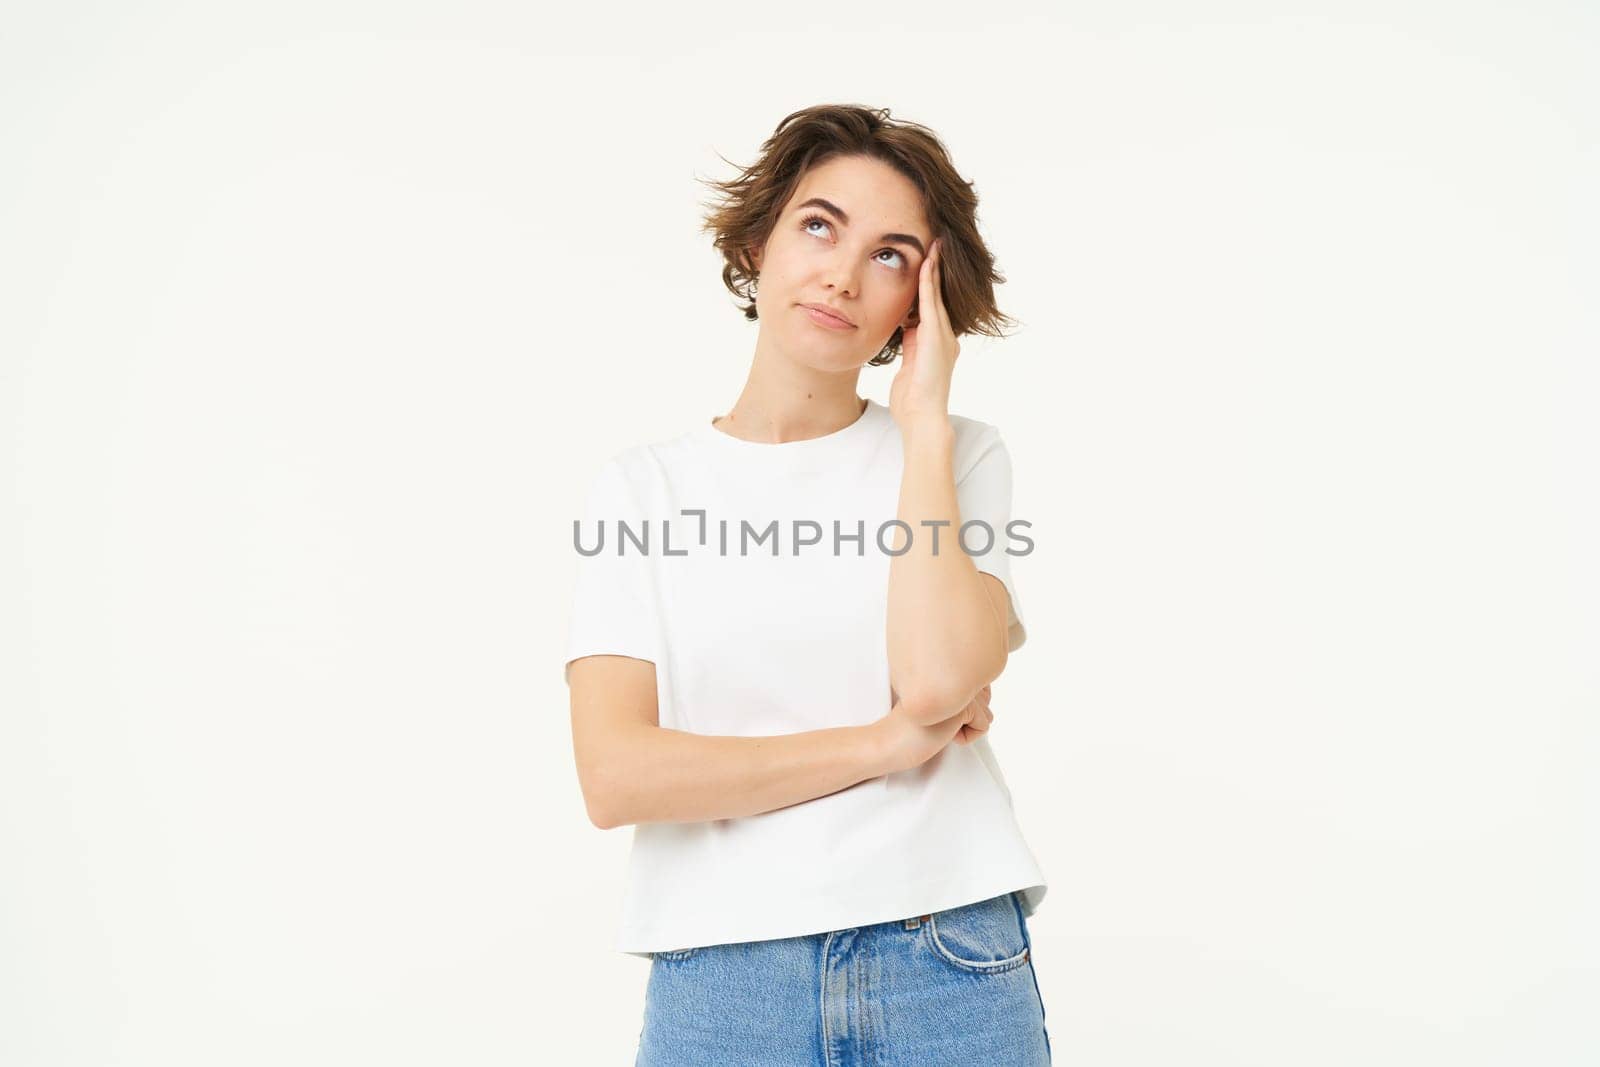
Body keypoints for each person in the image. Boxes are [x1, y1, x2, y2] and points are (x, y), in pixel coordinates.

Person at [565, 104, 1052, 1065]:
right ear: (759, 241)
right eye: (819, 225)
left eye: (890, 253)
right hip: (724, 975)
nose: (841, 271)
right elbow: (617, 775)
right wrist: (884, 744)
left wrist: (923, 424)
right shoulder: (643, 488)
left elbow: (939, 678)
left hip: (947, 954)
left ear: (922, 298)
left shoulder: (958, 456)